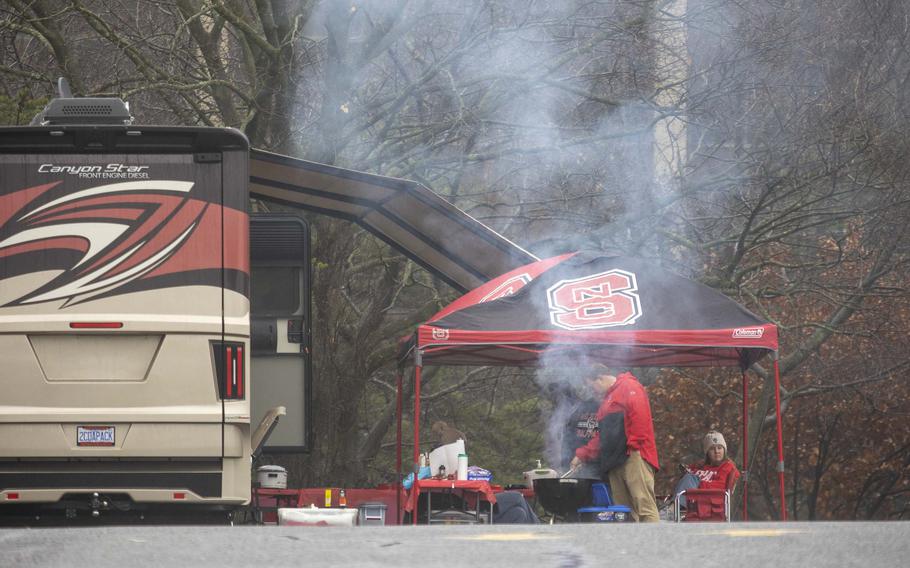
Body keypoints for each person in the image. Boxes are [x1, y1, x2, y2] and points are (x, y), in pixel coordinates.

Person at [570, 367, 660, 522]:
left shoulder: (629, 386)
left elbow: (640, 420)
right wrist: (581, 455)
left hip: (634, 457)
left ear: (600, 378)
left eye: (593, 386)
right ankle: (629, 545)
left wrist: (632, 449)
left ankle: (652, 545)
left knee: (644, 506)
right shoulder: (607, 400)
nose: (593, 391)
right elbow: (602, 436)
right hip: (615, 461)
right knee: (623, 512)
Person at [674, 430, 740, 506]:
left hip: (709, 502)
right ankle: (673, 508)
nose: (717, 451)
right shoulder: (700, 465)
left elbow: (720, 487)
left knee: (690, 478)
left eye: (719, 448)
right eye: (712, 449)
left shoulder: (728, 466)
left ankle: (673, 509)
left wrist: (697, 483)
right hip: (691, 500)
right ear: (707, 452)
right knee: (687, 477)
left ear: (724, 450)